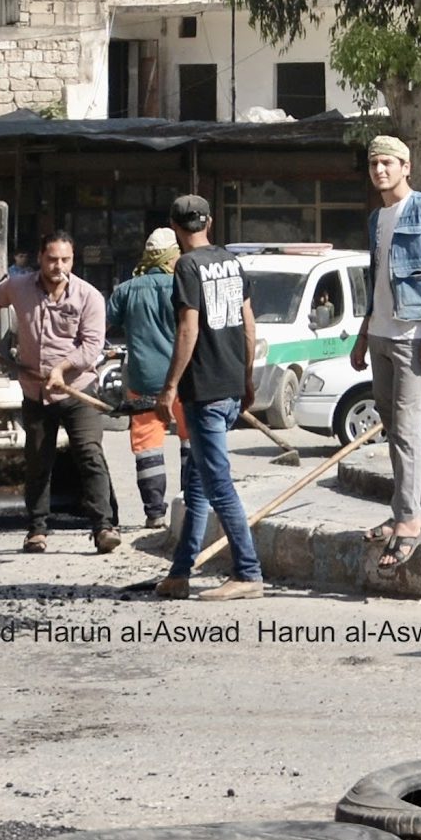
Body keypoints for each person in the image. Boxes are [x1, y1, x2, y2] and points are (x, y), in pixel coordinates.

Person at [349, 133, 421, 578]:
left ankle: (410, 521)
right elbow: (377, 280)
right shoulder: (377, 218)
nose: (379, 170)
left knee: (407, 429)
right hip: (379, 334)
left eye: (388, 163)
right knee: (392, 428)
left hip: (412, 336)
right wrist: (363, 336)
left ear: (405, 167)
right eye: (373, 163)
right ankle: (400, 511)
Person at [0, 230, 118, 554]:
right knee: (37, 461)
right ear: (40, 258)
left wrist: (62, 369)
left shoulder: (89, 296)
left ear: (72, 260)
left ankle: (103, 527)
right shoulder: (18, 287)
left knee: (89, 455)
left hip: (77, 391)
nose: (58, 266)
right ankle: (36, 530)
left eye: (65, 260)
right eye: (52, 259)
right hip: (35, 392)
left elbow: (91, 346)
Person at [154, 194, 264, 600]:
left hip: (204, 390)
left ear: (174, 227)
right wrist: (247, 378)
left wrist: (169, 387)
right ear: (209, 222)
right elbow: (249, 325)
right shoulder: (231, 262)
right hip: (231, 385)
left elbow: (188, 329)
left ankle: (248, 573)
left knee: (217, 485)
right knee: (199, 484)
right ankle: (180, 573)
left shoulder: (186, 266)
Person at [105, 227, 184, 532]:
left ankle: (155, 513)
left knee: (148, 447)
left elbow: (107, 324)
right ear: (171, 257)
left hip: (144, 381)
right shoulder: (184, 286)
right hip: (183, 380)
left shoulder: (127, 290)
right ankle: (190, 505)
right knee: (191, 440)